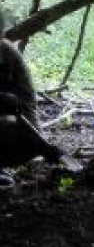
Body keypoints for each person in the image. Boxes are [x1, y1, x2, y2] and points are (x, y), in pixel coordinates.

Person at [0, 35, 65, 186]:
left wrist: (40, 144)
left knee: (14, 129)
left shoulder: (6, 54)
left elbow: (22, 105)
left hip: (18, 131)